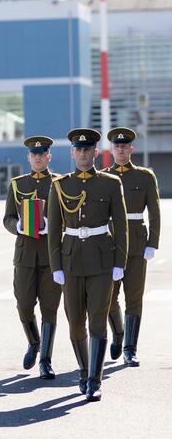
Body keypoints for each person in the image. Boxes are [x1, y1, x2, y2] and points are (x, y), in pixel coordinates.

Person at [47, 128, 127, 402]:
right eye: (78, 150)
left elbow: (122, 226)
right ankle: (83, 370)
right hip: (70, 262)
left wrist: (120, 262)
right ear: (72, 153)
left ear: (95, 152)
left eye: (87, 149)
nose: (82, 153)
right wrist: (55, 265)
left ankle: (94, 379)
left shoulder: (110, 183)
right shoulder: (60, 185)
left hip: (102, 260)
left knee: (96, 321)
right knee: (75, 324)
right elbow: (55, 229)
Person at [2, 136, 62, 379]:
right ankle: (34, 342)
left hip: (51, 256)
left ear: (49, 156)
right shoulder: (17, 184)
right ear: (28, 157)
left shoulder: (59, 183)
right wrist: (18, 226)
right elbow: (7, 218)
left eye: (42, 154)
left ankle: (46, 360)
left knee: (50, 308)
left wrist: (50, 225)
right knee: (24, 305)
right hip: (25, 255)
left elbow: (68, 217)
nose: (38, 157)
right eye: (34, 154)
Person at [102, 127, 161, 367]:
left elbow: (155, 212)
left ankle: (130, 348)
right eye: (117, 146)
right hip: (110, 244)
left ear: (131, 149)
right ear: (112, 150)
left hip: (136, 243)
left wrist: (152, 243)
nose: (121, 149)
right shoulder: (104, 177)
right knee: (107, 297)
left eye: (125, 146)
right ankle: (118, 333)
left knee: (134, 298)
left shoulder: (145, 176)